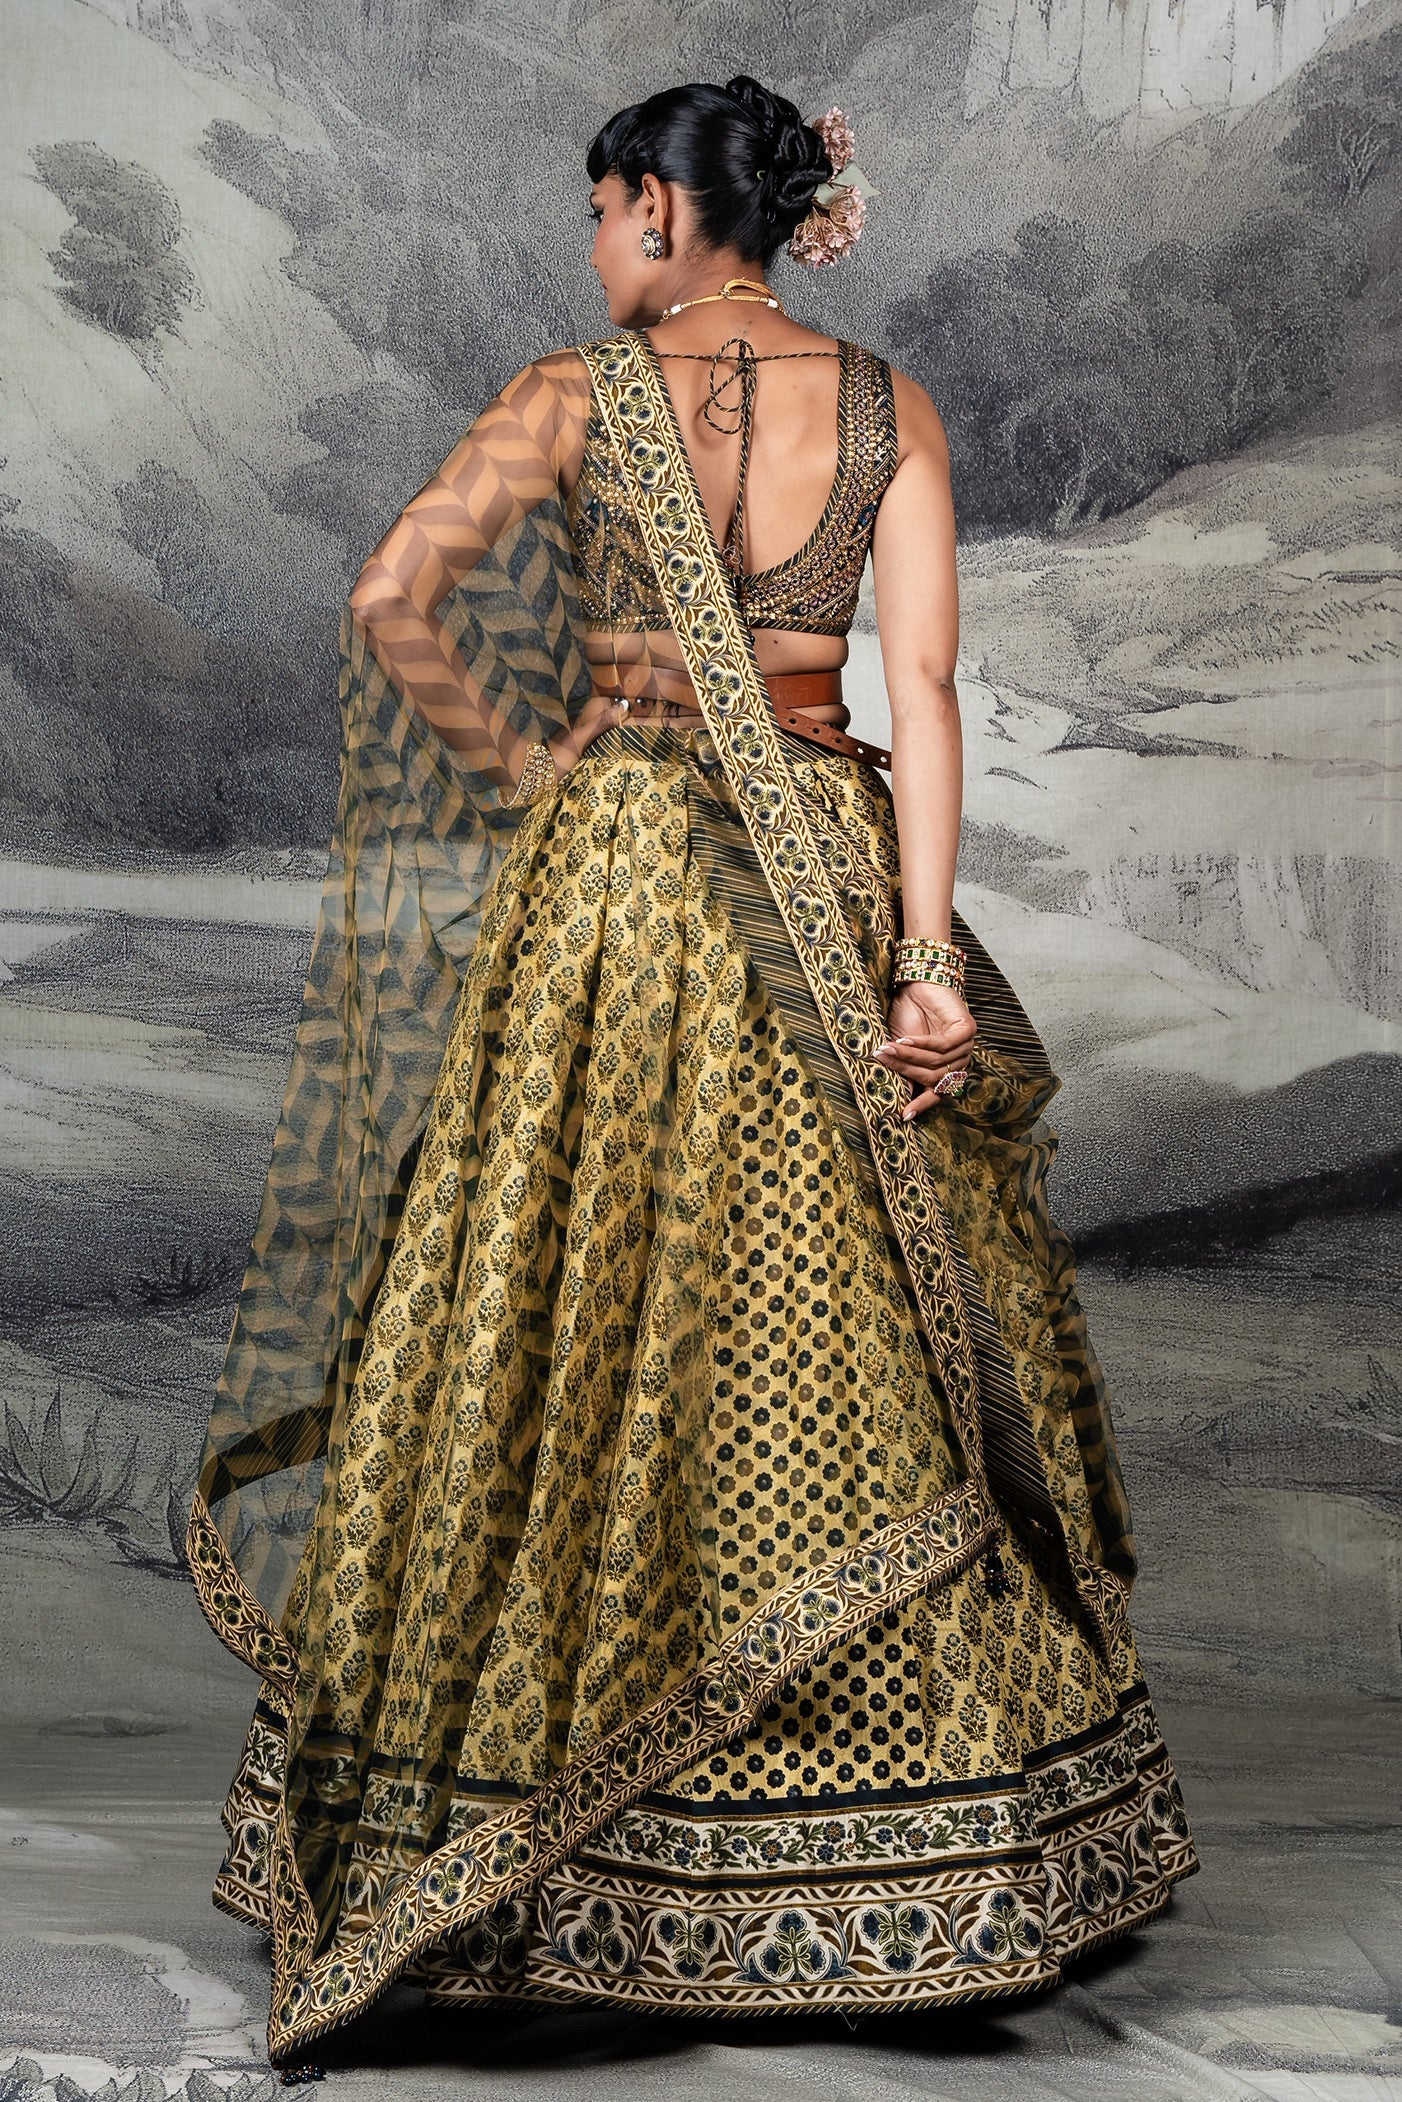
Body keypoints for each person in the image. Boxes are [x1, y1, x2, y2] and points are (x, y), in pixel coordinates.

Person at [187, 75, 1198, 2067]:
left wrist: (533, 771)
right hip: (820, 875)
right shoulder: (890, 407)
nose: (593, 248)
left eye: (601, 211)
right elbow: (919, 690)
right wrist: (921, 965)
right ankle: (910, 1857)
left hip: (618, 883)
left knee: (567, 1306)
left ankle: (537, 1839)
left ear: (660, 207)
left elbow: (390, 595)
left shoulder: (572, 396)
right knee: (834, 1318)